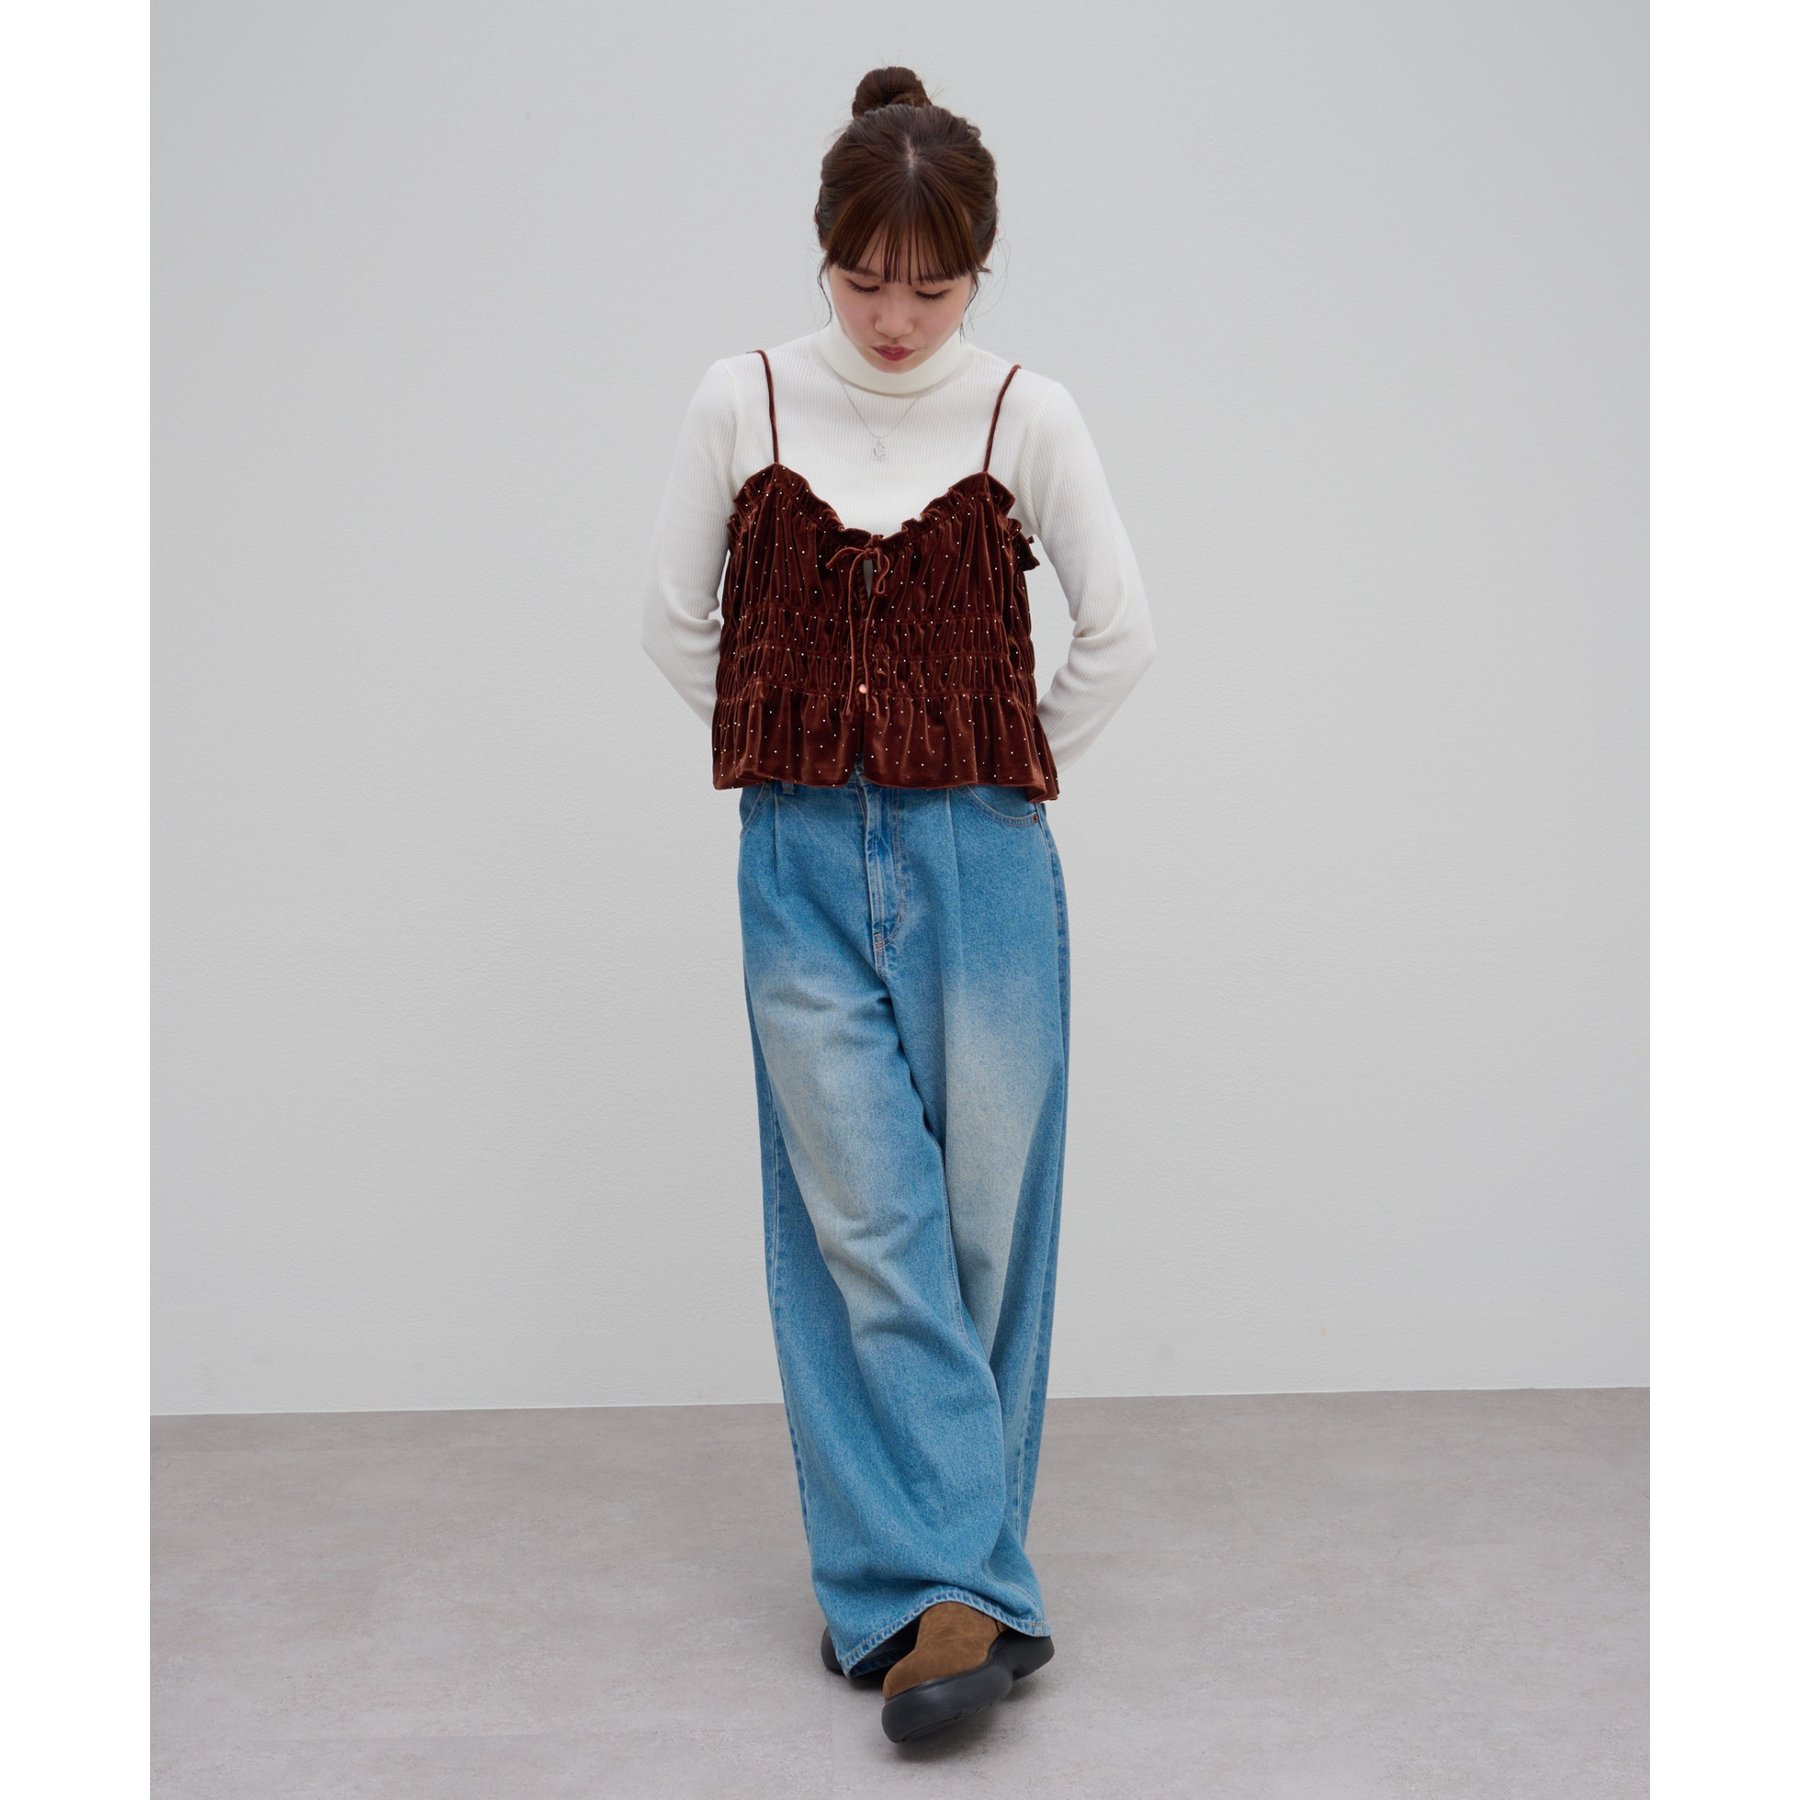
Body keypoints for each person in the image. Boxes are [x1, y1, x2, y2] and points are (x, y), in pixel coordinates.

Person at [640, 65, 1156, 1744]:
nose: (893, 317)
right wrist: (802, 740)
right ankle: (957, 1598)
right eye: (865, 278)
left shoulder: (1024, 414)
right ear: (825, 253)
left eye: (932, 288)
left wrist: (991, 769)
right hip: (798, 857)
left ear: (978, 273)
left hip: (981, 862)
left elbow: (1121, 632)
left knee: (981, 1230)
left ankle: (913, 1592)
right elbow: (673, 625)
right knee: (861, 1223)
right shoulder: (744, 400)